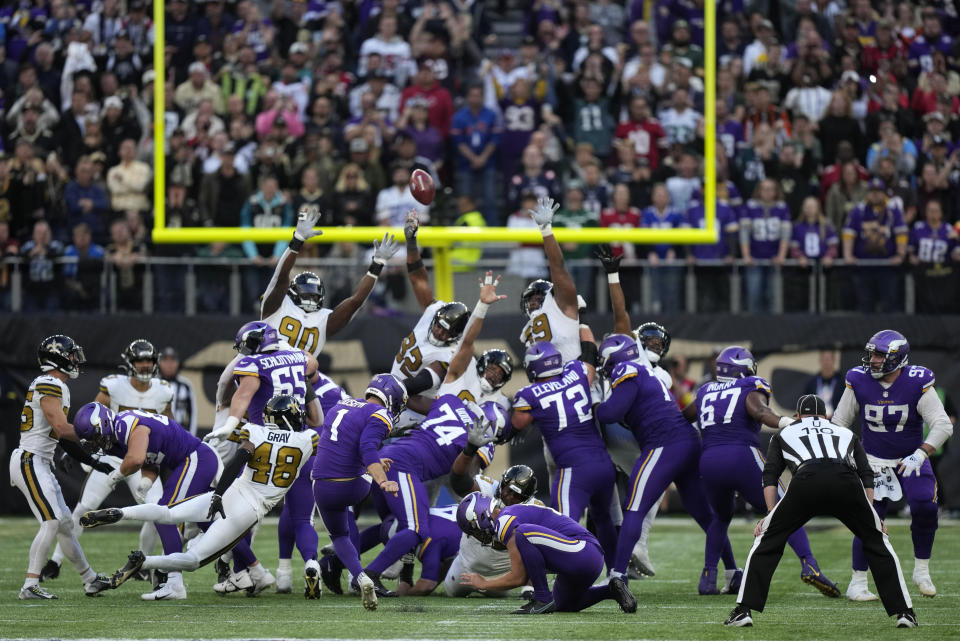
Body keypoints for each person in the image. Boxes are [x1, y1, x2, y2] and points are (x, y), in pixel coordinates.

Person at [83, 396, 318, 599]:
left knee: (168, 513)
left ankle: (121, 512)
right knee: (193, 558)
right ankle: (147, 563)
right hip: (250, 507)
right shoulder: (308, 439)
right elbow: (325, 440)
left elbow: (240, 458)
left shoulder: (256, 431)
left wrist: (218, 493)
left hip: (231, 489)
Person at [725, 395, 917, 629]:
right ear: (824, 416)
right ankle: (905, 613)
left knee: (766, 540)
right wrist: (872, 516)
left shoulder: (785, 433)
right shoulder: (844, 432)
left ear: (798, 416)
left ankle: (743, 610)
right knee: (878, 542)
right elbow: (866, 474)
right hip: (845, 482)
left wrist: (770, 514)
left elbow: (770, 476)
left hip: (807, 481)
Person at [685, 346, 839, 597]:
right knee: (787, 508)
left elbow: (685, 417)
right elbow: (760, 411)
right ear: (743, 369)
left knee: (720, 518)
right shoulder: (749, 386)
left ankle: (707, 578)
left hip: (709, 461)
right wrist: (790, 422)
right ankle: (809, 564)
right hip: (741, 456)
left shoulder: (705, 391)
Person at [594, 334, 738, 587]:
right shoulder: (646, 371)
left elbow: (611, 413)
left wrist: (594, 404)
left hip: (664, 444)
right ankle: (732, 572)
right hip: (687, 441)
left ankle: (617, 574)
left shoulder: (627, 370)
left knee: (634, 507)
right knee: (704, 514)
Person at [831, 330, 953, 601]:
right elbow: (839, 423)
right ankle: (858, 582)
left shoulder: (916, 381)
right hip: (872, 460)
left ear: (897, 359)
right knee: (868, 518)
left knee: (924, 504)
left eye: (878, 355)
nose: (872, 360)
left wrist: (921, 454)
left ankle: (921, 570)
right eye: (872, 354)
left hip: (909, 458)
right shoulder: (858, 379)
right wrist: (851, 455)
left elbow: (943, 424)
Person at [44, 339, 174, 582]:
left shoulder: (164, 390)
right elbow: (91, 417)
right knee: (85, 506)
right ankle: (55, 561)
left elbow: (169, 426)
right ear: (130, 362)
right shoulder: (114, 386)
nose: (145, 365)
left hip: (141, 460)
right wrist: (73, 447)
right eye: (140, 360)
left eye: (149, 360)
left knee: (157, 511)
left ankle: (141, 563)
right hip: (112, 456)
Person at [71, 402, 221, 601]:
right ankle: (253, 570)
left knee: (165, 515)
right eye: (92, 440)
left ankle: (174, 583)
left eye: (96, 436)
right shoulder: (116, 440)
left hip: (196, 457)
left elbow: (136, 459)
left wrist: (116, 475)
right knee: (212, 524)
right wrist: (145, 482)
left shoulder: (127, 424)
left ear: (105, 424)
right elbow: (151, 461)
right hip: (192, 460)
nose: (97, 443)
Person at [10, 335, 112, 600]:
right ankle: (30, 584)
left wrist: (92, 460)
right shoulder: (50, 382)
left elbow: (61, 436)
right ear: (58, 358)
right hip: (29, 460)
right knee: (52, 521)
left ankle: (90, 580)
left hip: (40, 461)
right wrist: (92, 435)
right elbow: (61, 428)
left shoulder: (54, 384)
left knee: (66, 524)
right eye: (71, 355)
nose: (75, 360)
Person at [511, 338, 617, 569]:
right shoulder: (576, 372)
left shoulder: (529, 394)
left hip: (574, 469)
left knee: (563, 527)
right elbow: (589, 359)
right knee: (603, 520)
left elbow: (518, 423)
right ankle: (616, 574)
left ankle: (567, 579)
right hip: (603, 465)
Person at [311, 373, 406, 610]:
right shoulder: (380, 413)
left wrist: (372, 463)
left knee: (340, 536)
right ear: (393, 399)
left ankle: (359, 576)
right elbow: (367, 447)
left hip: (322, 485)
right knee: (369, 467)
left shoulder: (340, 404)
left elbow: (345, 447)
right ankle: (364, 577)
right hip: (353, 486)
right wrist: (382, 480)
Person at [456, 492, 637, 614]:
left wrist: (485, 583)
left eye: (475, 531)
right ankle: (611, 590)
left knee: (523, 533)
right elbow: (524, 572)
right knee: (564, 604)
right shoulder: (510, 518)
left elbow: (518, 577)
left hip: (584, 550)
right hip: (582, 559)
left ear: (480, 516)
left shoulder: (505, 521)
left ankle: (542, 598)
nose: (479, 537)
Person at [260, 205, 400, 357]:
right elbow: (280, 277)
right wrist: (297, 240)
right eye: (307, 294)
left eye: (314, 295)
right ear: (293, 292)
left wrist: (377, 265)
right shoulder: (278, 305)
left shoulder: (323, 318)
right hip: (267, 372)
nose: (311, 298)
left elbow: (355, 301)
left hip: (299, 378)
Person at [393, 212, 470, 422]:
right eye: (438, 325)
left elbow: (423, 382)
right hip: (394, 397)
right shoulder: (433, 309)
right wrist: (411, 240)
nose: (438, 330)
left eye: (445, 331)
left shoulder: (449, 355)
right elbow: (417, 277)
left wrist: (392, 387)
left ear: (454, 336)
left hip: (412, 413)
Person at [158, 347, 197, 436]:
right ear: (159, 363)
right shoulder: (153, 383)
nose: (169, 364)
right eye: (165, 360)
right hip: (157, 431)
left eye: (172, 360)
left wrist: (191, 438)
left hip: (179, 433)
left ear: (178, 363)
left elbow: (193, 415)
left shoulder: (186, 386)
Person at [803, 351, 845, 418]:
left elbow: (845, 404)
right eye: (824, 360)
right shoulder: (812, 383)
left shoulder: (841, 382)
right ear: (820, 361)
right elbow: (805, 404)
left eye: (828, 359)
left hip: (836, 420)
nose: (826, 363)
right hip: (815, 420)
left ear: (834, 361)